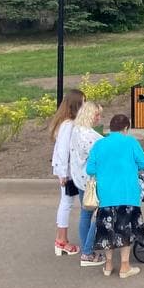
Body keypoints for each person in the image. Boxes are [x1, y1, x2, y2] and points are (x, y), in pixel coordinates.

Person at [85, 113, 144, 278]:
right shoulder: (130, 142)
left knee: (108, 231)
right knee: (125, 230)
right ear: (126, 128)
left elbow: (90, 169)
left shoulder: (99, 144)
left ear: (110, 128)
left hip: (106, 195)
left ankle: (108, 265)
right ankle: (125, 267)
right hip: (128, 193)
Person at [48, 89, 84, 256]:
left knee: (66, 202)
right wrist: (63, 174)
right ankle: (61, 240)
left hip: (67, 169)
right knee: (66, 203)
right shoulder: (69, 125)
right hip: (68, 171)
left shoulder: (65, 123)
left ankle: (61, 239)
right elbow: (63, 151)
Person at [69, 100, 104, 267]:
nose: (99, 118)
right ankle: (88, 252)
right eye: (97, 115)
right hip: (93, 181)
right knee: (101, 214)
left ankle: (85, 249)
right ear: (91, 115)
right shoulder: (90, 137)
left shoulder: (76, 130)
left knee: (85, 214)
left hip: (80, 179)